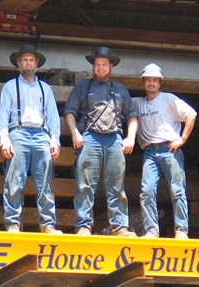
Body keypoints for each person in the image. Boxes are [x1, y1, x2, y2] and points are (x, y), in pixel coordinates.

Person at [64, 47, 138, 237]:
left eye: (104, 64)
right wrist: (75, 134)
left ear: (111, 66)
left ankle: (120, 227)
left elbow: (132, 115)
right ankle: (83, 226)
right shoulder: (83, 87)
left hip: (114, 139)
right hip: (90, 138)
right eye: (97, 64)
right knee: (85, 184)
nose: (100, 68)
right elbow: (70, 112)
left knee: (116, 185)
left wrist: (130, 137)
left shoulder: (120, 89)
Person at [0, 44, 62, 234]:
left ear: (36, 64)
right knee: (14, 181)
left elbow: (52, 116)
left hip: (42, 135)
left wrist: (54, 139)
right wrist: (4, 139)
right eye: (25, 60)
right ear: (19, 64)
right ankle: (12, 223)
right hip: (18, 133)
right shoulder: (10, 86)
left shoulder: (45, 88)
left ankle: (48, 224)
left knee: (44, 183)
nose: (28, 63)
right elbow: (2, 116)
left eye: (31, 60)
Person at [133, 63, 196, 239]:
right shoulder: (138, 103)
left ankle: (181, 231)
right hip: (149, 152)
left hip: (170, 149)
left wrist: (182, 139)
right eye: (148, 80)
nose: (151, 83)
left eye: (155, 80)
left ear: (159, 83)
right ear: (143, 82)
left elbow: (191, 114)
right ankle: (151, 231)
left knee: (177, 191)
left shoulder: (169, 99)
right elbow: (117, 99)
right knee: (146, 191)